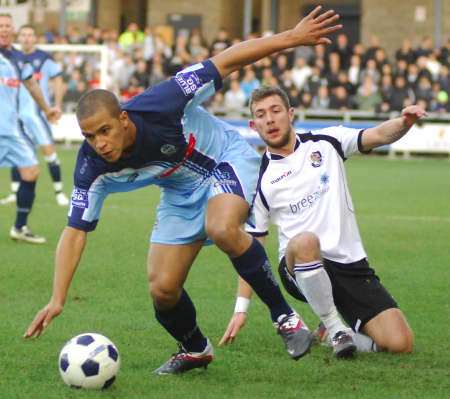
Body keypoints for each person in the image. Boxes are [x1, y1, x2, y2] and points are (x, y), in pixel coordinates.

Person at [24, 6, 342, 374]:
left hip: (225, 160)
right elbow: (75, 232)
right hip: (178, 192)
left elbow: (227, 60)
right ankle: (195, 348)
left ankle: (285, 318)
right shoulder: (91, 166)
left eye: (105, 131)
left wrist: (291, 37)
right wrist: (57, 298)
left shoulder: (165, 101)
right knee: (162, 288)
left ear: (123, 119)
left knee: (221, 227)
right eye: (89, 136)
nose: (99, 143)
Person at [220, 85, 419, 357]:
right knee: (305, 241)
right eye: (262, 114)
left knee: (400, 344)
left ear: (290, 114)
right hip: (298, 265)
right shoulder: (258, 179)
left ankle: (333, 335)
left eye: (276, 111)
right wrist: (241, 308)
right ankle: (336, 328)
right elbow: (252, 246)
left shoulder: (327, 141)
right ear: (254, 125)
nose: (270, 119)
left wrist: (404, 122)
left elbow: (378, 135)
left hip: (349, 264)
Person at [0, 13, 60, 244]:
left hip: (11, 130)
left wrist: (46, 109)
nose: (4, 30)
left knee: (31, 171)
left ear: (12, 30)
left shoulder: (17, 58)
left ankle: (20, 227)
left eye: (7, 26)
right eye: (0, 26)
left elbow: (32, 84)